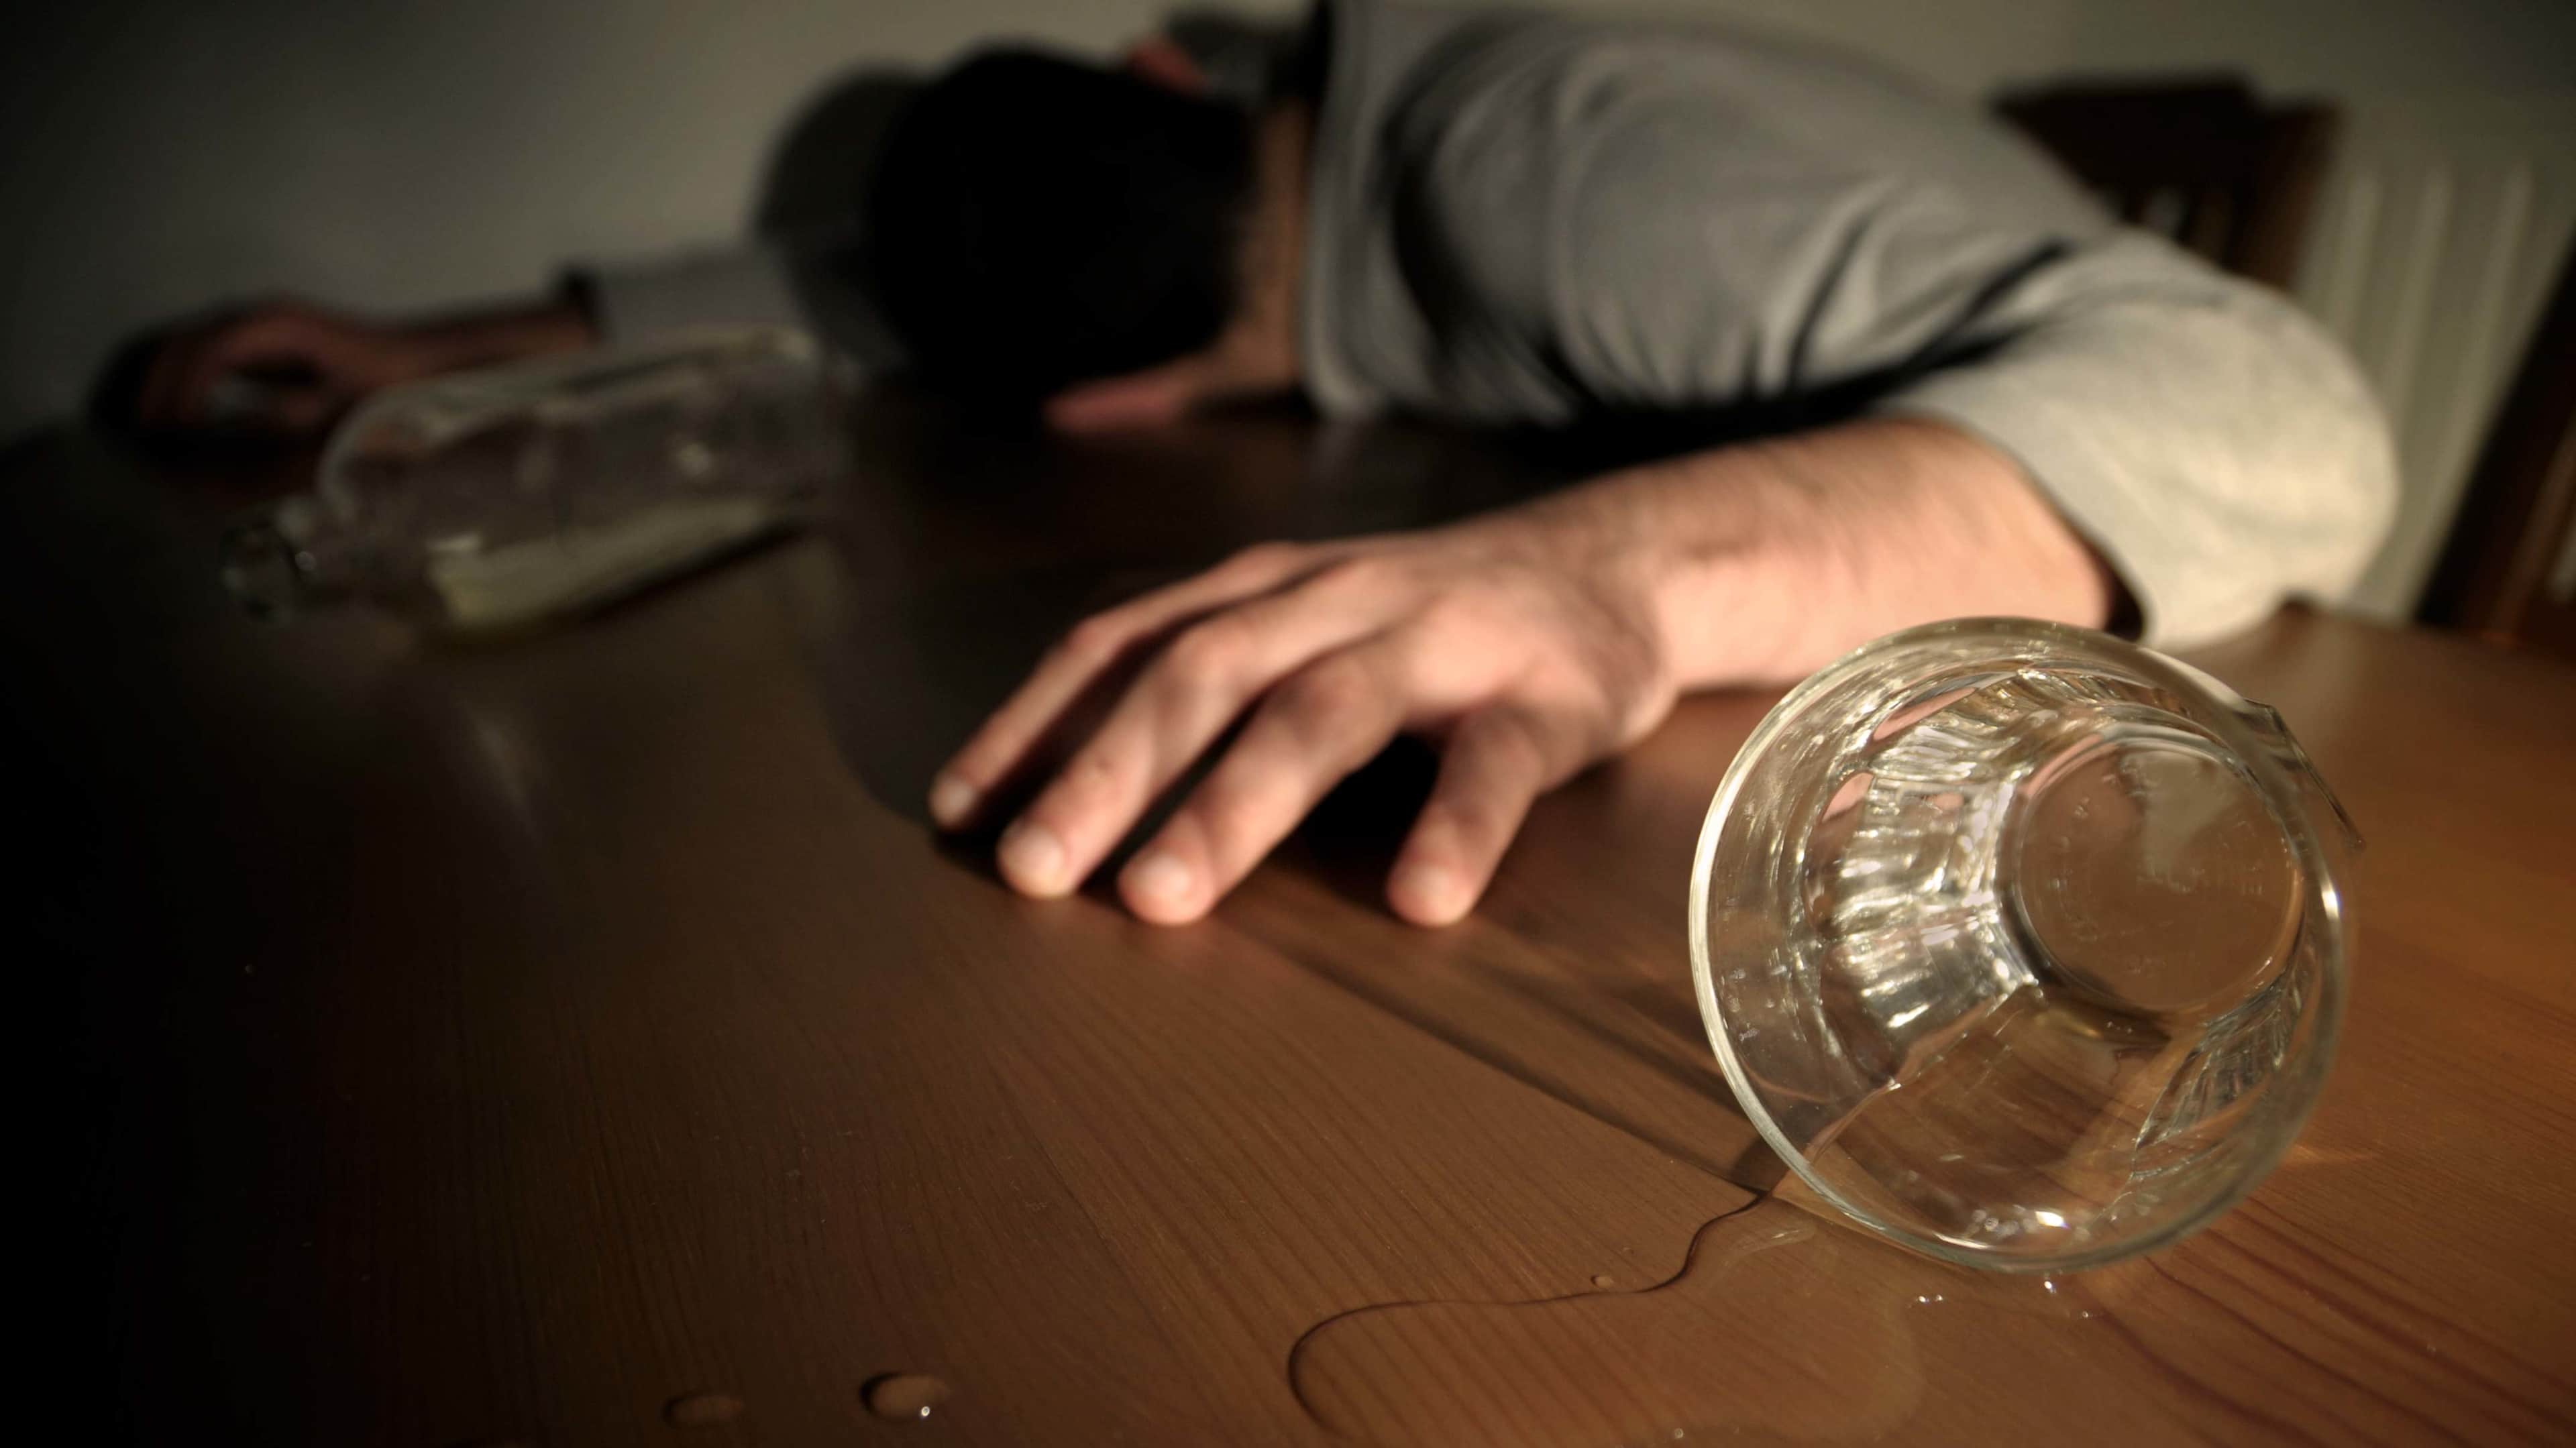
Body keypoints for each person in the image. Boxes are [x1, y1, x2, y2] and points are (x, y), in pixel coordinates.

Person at [121, 1, 2398, 929]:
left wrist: (1613, 572)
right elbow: (834, 281)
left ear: (1107, 401)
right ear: (1167, 69)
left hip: (2215, 755)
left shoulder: (1538, 167)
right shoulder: (1310, 160)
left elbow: (2295, 408)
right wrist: (433, 353)